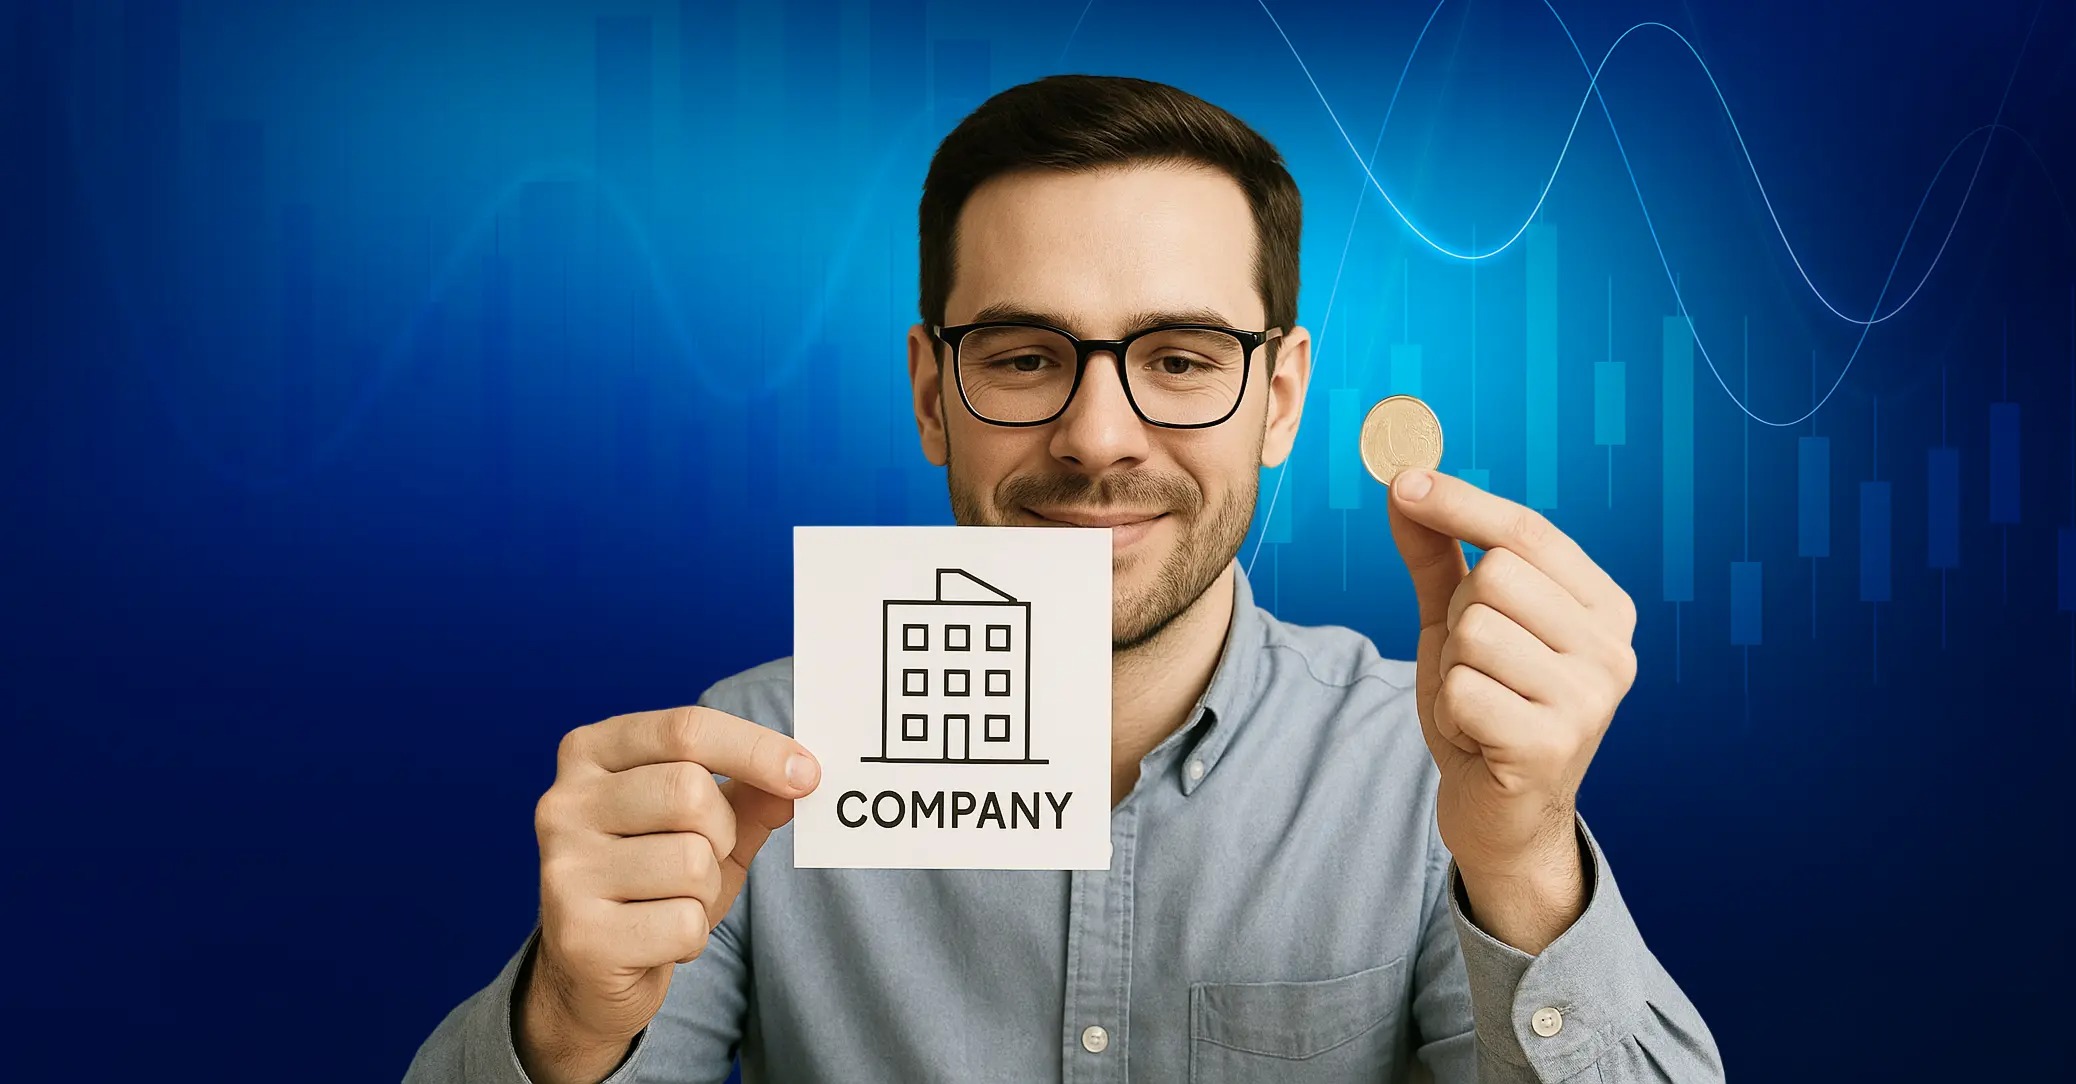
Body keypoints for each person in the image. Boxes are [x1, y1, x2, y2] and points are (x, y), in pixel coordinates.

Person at [404, 73, 1722, 1083]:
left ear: (1278, 398)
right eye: (1027, 356)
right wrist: (568, 1023)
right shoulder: (756, 763)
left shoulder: (1426, 777)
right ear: (933, 395)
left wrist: (1523, 863)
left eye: (1183, 357)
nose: (1098, 438)